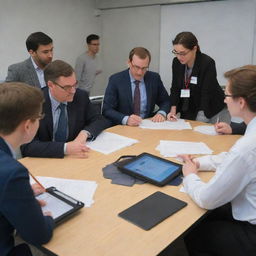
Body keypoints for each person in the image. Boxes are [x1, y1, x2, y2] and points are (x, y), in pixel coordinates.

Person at [179, 65, 256, 256]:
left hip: (251, 233)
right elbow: (235, 159)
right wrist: (200, 162)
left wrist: (190, 176)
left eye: (227, 95)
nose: (224, 99)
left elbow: (206, 198)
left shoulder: (247, 147)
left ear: (241, 102)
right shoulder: (249, 139)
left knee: (191, 231)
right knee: (211, 215)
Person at [0, 82, 54, 256]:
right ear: (28, 126)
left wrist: (19, 197)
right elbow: (40, 235)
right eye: (39, 117)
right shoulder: (12, 173)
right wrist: (48, 218)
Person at [21, 60, 110, 158]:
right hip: (45, 160)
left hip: (76, 157)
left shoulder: (80, 96)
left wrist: (84, 133)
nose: (73, 91)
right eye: (67, 87)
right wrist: (65, 148)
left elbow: (99, 120)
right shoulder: (33, 103)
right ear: (50, 85)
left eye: (75, 84)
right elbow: (27, 146)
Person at [167, 31, 230, 123]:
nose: (179, 57)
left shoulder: (207, 63)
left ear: (194, 49)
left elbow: (206, 93)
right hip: (191, 105)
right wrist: (173, 110)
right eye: (176, 52)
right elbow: (175, 87)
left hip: (212, 108)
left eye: (183, 53)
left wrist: (198, 122)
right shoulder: (176, 62)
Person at [102, 47, 170, 126]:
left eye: (144, 68)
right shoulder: (116, 80)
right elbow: (107, 110)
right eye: (136, 67)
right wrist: (126, 119)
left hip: (147, 125)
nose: (140, 72)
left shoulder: (154, 78)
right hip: (123, 128)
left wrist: (161, 113)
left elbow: (166, 101)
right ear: (129, 63)